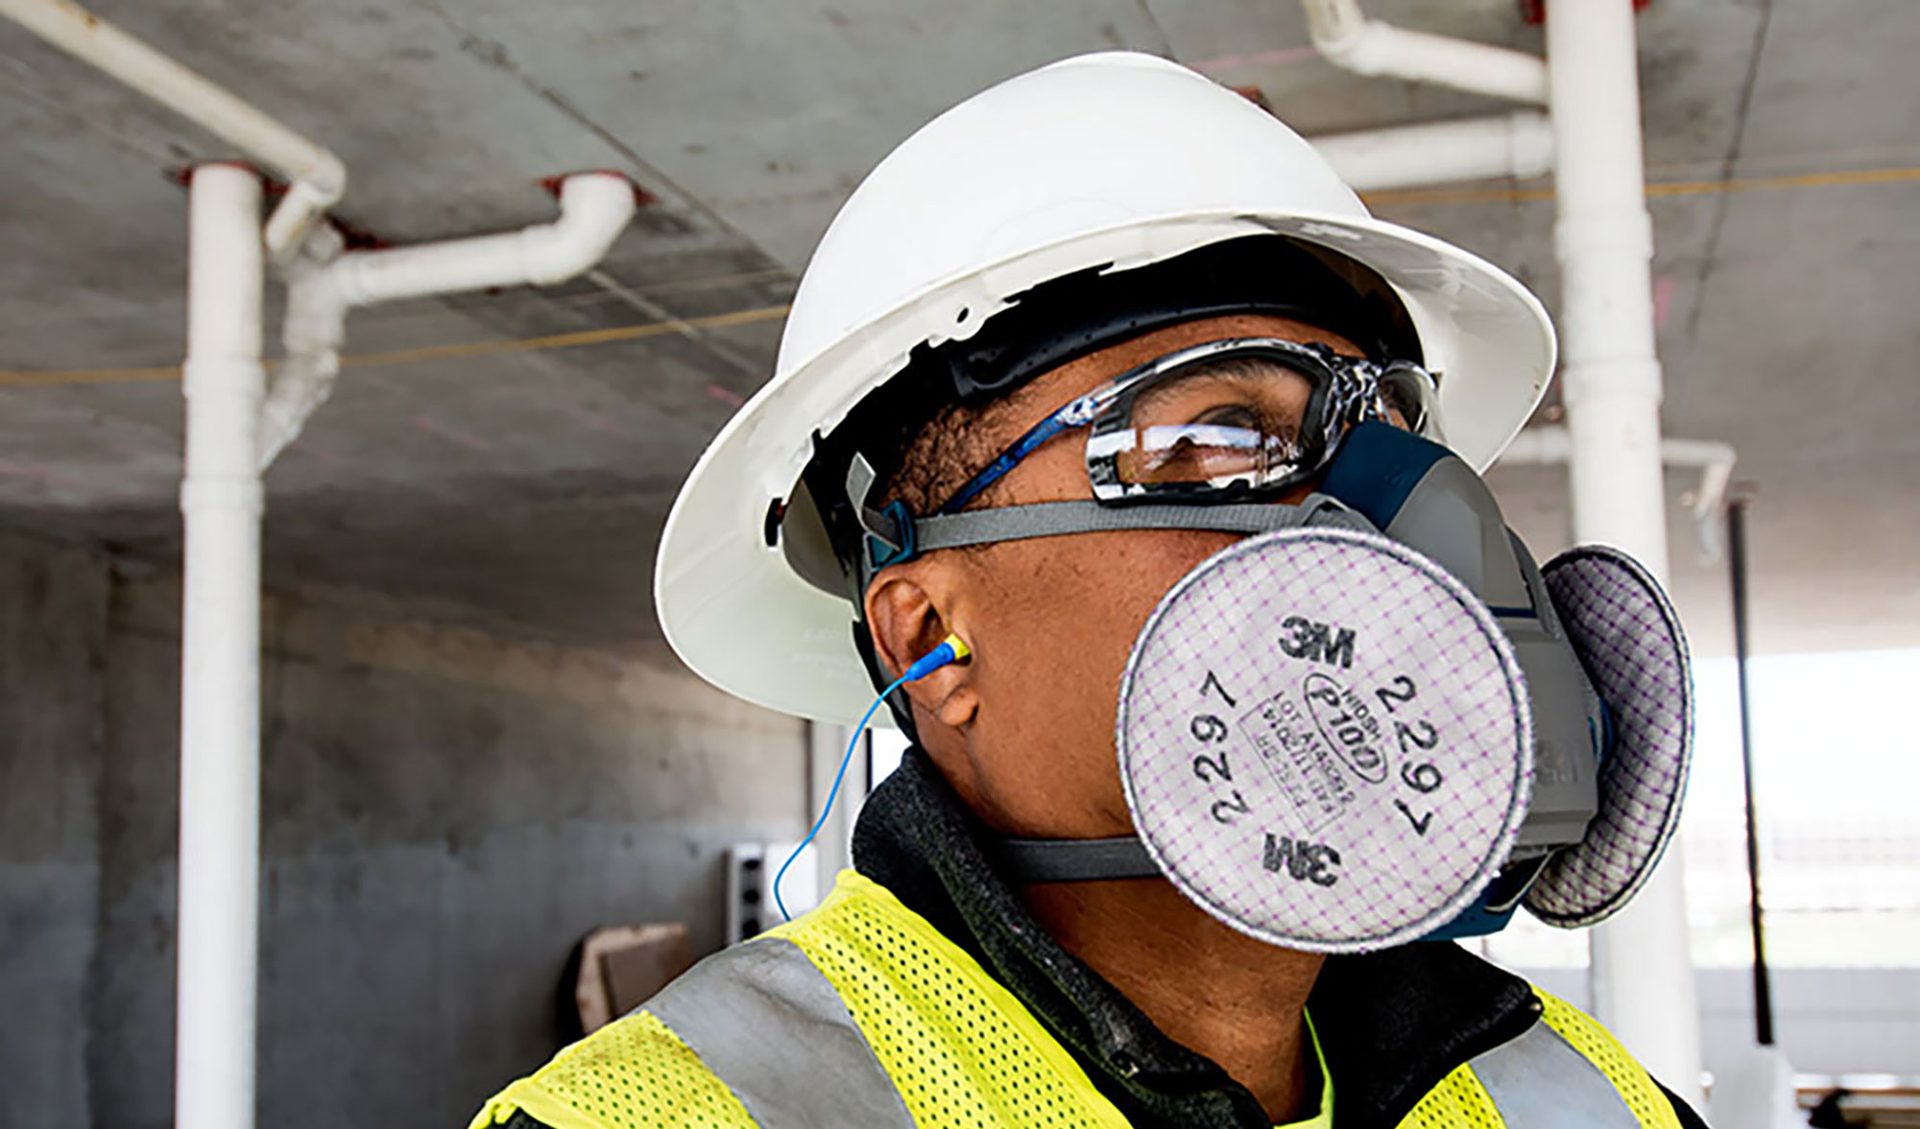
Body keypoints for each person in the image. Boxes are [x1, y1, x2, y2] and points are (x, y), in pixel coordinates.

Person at [470, 52, 1710, 1129]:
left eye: (1387, 428)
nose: (1390, 528)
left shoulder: (1590, 1100)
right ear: (932, 643)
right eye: (1222, 437)